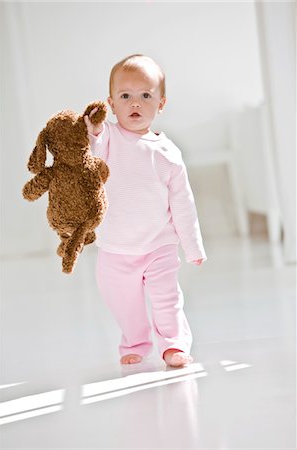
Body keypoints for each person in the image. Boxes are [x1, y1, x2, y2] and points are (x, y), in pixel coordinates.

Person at [84, 54, 207, 367]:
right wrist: (92, 128)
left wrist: (192, 245)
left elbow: (183, 202)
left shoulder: (168, 154)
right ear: (111, 103)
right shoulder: (108, 137)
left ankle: (174, 344)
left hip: (158, 244)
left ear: (161, 103)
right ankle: (135, 341)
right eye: (125, 96)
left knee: (167, 299)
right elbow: (91, 151)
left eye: (145, 96)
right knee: (123, 302)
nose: (134, 103)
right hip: (115, 246)